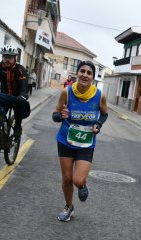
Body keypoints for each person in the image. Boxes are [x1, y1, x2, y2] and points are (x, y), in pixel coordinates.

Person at [52, 60, 108, 222]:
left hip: (86, 142)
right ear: (77, 74)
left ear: (92, 77)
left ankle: (82, 186)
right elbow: (55, 114)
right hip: (66, 140)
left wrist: (98, 124)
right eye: (82, 71)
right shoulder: (67, 93)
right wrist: (60, 116)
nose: (85, 75)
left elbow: (104, 114)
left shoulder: (99, 95)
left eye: (89, 73)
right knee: (67, 178)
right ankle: (69, 206)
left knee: (77, 179)